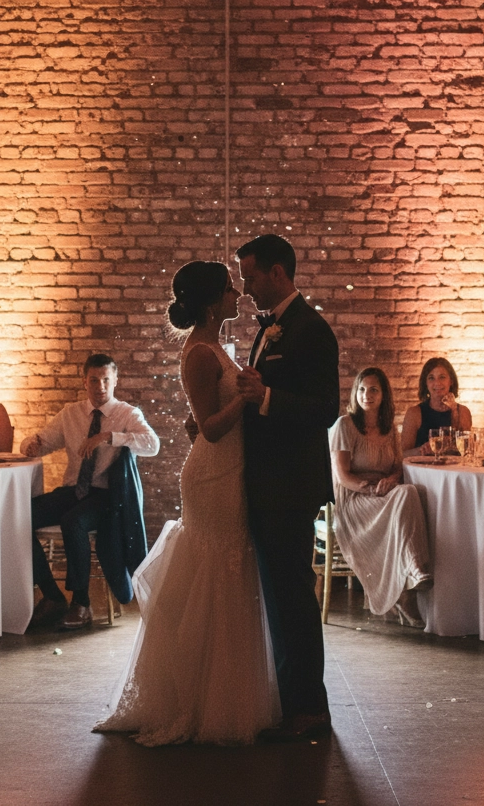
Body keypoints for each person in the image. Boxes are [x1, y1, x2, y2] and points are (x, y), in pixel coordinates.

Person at [96, 262, 279, 744]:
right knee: (217, 573)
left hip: (231, 470)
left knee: (231, 573)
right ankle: (194, 700)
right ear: (210, 299)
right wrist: (245, 397)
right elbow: (212, 428)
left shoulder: (215, 345)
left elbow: (203, 424)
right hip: (213, 475)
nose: (237, 292)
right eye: (228, 288)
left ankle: (223, 693)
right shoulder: (199, 352)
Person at [235, 234, 339, 741]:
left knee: (294, 595)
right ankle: (291, 700)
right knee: (279, 595)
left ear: (278, 273)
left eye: (252, 276)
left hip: (291, 485)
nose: (247, 287)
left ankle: (310, 708)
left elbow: (325, 409)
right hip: (268, 482)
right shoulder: (273, 328)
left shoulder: (311, 329)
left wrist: (268, 396)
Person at [21, 354, 159, 630]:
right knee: (19, 518)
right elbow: (42, 441)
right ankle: (52, 595)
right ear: (84, 382)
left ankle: (81, 604)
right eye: (94, 380)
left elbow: (152, 444)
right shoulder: (70, 414)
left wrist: (108, 437)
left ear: (115, 381)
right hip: (73, 489)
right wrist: (31, 444)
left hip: (105, 496)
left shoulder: (127, 413)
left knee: (73, 522)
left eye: (106, 380)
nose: (100, 386)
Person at [329, 368, 432, 626]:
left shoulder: (390, 430)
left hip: (382, 493)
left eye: (374, 389)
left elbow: (398, 467)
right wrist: (369, 488)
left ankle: (409, 580)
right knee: (404, 500)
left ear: (383, 394)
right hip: (355, 497)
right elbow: (342, 476)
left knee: (412, 492)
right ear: (356, 393)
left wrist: (391, 480)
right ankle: (410, 583)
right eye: (362, 389)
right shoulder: (345, 425)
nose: (367, 395)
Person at [401, 357, 473, 455]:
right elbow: (403, 454)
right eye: (431, 378)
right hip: (424, 469)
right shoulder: (414, 413)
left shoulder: (463, 412)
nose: (437, 383)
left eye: (442, 377)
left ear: (451, 381)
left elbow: (466, 450)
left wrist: (454, 411)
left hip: (454, 469)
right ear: (425, 383)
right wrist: (422, 450)